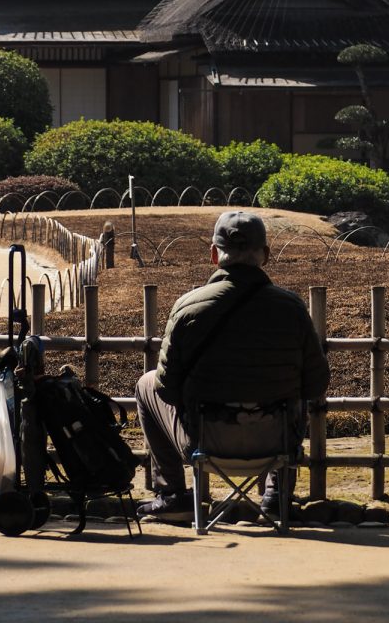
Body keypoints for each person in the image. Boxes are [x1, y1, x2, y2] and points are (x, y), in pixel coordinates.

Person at [135, 209, 330, 523]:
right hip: (273, 441)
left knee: (147, 384)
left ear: (214, 254)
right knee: (298, 389)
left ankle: (173, 495)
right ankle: (276, 495)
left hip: (206, 440)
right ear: (265, 254)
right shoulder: (291, 308)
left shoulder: (188, 306)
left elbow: (167, 389)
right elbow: (317, 384)